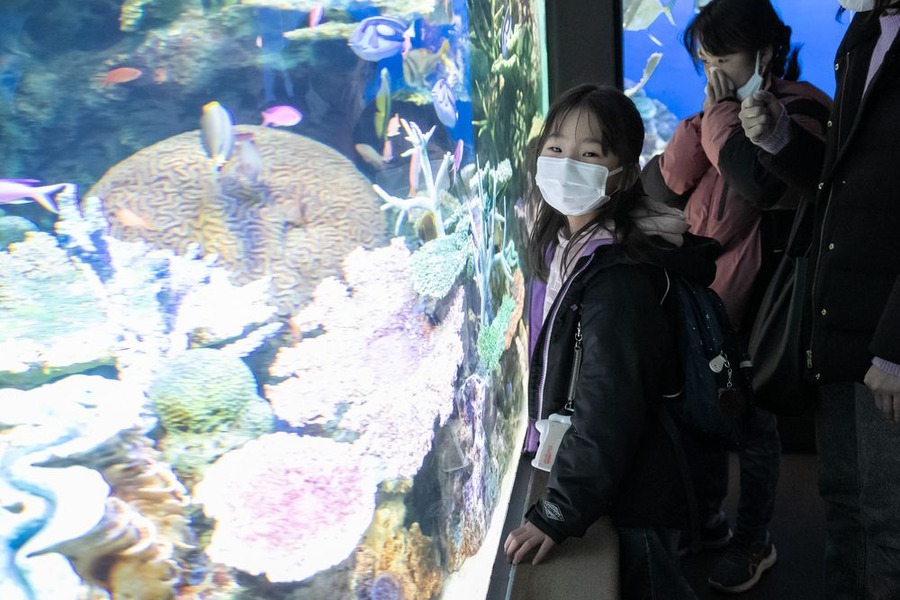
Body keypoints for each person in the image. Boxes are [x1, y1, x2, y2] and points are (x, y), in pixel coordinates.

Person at [640, 0, 833, 593]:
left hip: (765, 306)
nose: (713, 71)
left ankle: (757, 541)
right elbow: (664, 188)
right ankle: (711, 524)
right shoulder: (713, 113)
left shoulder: (800, 108)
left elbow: (757, 180)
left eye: (723, 57)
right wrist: (701, 123)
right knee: (698, 417)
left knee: (755, 433)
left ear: (767, 51)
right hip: (703, 302)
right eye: (704, 60)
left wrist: (718, 114)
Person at [503, 82, 721, 599]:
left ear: (622, 171)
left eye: (590, 153)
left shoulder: (619, 274)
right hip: (619, 475)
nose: (565, 163)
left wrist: (560, 511)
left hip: (637, 489)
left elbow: (610, 403)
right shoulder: (567, 243)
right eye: (555, 148)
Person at [739, 1, 900, 596]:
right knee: (844, 505)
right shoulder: (864, 34)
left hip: (886, 340)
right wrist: (780, 138)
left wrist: (894, 350)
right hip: (839, 323)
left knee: (890, 524)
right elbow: (842, 185)